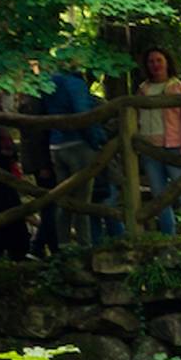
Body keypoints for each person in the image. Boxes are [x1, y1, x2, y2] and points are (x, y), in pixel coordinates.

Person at [135, 45, 181, 236]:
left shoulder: (179, 88)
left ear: (167, 62)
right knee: (159, 197)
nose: (155, 65)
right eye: (151, 61)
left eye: (159, 60)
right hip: (150, 150)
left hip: (174, 148)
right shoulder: (143, 89)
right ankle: (168, 238)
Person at [40, 68, 103, 245]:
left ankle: (64, 245)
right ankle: (84, 246)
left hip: (56, 146)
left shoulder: (49, 82)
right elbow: (83, 115)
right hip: (77, 145)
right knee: (82, 201)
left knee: (63, 199)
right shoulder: (75, 84)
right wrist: (96, 141)